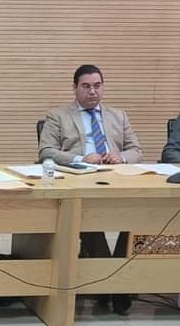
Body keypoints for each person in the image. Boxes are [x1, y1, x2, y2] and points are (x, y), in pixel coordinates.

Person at [37, 64, 140, 314]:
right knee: (89, 218)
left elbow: (136, 150)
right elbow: (46, 151)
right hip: (78, 179)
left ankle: (116, 278)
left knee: (135, 219)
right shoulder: (58, 115)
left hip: (116, 179)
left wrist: (121, 157)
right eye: (86, 86)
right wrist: (80, 158)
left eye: (97, 86)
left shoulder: (119, 115)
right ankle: (111, 285)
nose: (92, 91)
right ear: (75, 88)